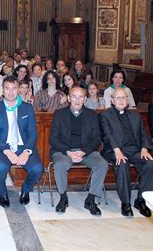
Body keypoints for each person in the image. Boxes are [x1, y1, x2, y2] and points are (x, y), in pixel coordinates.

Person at [49, 86, 108, 215]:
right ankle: (63, 198)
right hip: (64, 151)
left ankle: (91, 199)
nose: (77, 100)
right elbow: (53, 139)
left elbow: (96, 139)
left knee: (102, 164)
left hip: (85, 151)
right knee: (59, 165)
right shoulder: (59, 114)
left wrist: (83, 151)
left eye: (80, 97)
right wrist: (68, 152)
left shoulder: (92, 115)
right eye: (74, 97)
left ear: (85, 99)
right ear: (69, 98)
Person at [99, 87, 153, 217]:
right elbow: (107, 135)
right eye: (118, 98)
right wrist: (117, 150)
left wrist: (145, 148)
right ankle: (126, 202)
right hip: (113, 150)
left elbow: (143, 134)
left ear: (128, 100)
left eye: (124, 97)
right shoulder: (105, 115)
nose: (121, 100)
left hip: (135, 150)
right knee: (122, 163)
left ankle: (141, 200)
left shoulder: (135, 115)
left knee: (150, 162)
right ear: (112, 101)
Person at [0, 76, 43, 207]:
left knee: (37, 168)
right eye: (7, 88)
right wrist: (7, 151)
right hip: (3, 147)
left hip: (23, 146)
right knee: (0, 168)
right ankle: (3, 193)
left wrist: (26, 151)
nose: (11, 92)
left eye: (14, 88)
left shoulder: (27, 108)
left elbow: (32, 133)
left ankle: (26, 189)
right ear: (3, 90)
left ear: (18, 90)